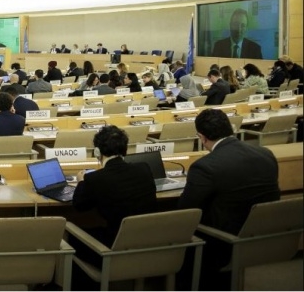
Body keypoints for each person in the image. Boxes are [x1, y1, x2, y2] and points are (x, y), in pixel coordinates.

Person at [178, 109, 279, 288]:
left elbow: (185, 211)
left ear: (201, 137)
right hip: (265, 235)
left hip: (222, 243)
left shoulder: (205, 167)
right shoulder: (266, 154)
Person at [72, 125, 157, 244]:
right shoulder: (144, 168)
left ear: (97, 151)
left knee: (68, 233)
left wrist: (81, 181)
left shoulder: (94, 178)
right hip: (147, 241)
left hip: (114, 246)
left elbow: (79, 206)